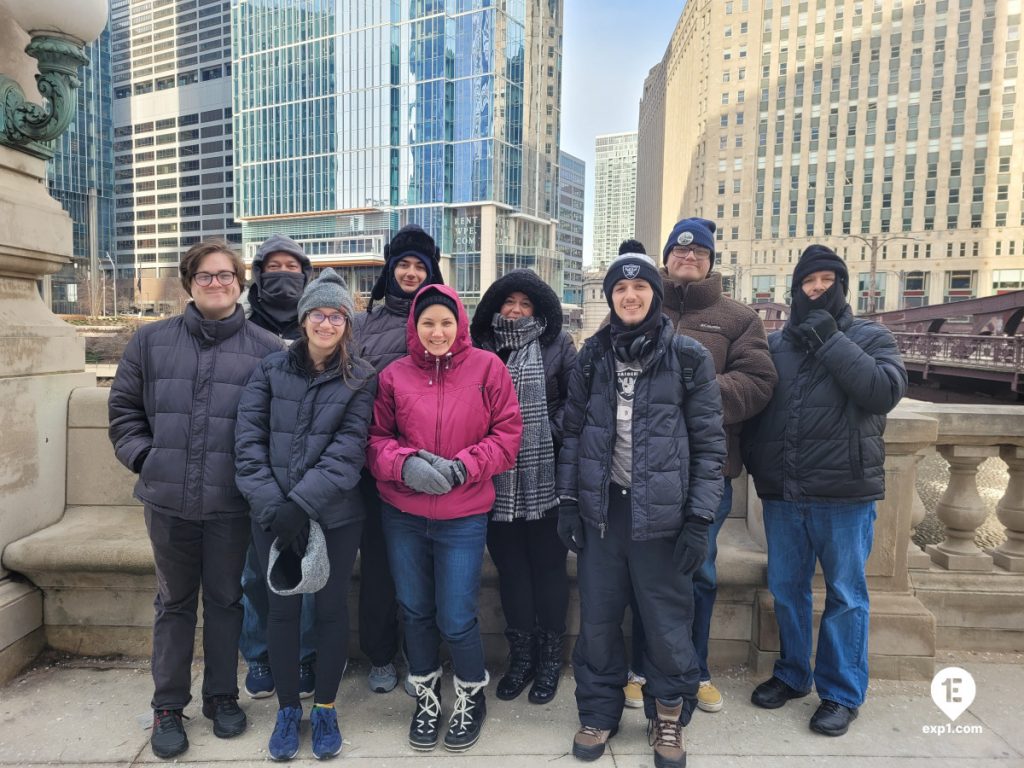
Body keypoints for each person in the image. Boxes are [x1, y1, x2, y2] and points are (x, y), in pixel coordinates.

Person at [108, 239, 282, 760]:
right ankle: (167, 705)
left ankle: (222, 695)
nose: (216, 283)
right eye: (205, 275)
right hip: (167, 500)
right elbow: (123, 411)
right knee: (174, 603)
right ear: (189, 283)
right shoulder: (150, 341)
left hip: (232, 503)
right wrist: (147, 458)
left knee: (227, 601)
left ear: (240, 283)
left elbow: (279, 425)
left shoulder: (267, 349)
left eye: (226, 275)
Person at [557, 250, 726, 768]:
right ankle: (598, 712)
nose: (629, 297)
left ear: (655, 294)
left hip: (664, 516)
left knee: (667, 622)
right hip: (605, 511)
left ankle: (668, 714)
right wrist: (569, 502)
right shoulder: (592, 356)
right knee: (599, 620)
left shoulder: (689, 357)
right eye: (620, 289)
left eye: (640, 288)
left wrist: (699, 518)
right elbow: (573, 434)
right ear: (611, 297)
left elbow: (709, 446)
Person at [743, 245, 907, 737]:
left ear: (842, 286)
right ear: (796, 289)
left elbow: (883, 392)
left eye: (826, 281)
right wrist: (759, 464)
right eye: (808, 282)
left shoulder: (871, 337)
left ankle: (841, 692)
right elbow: (757, 407)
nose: (816, 289)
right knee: (787, 590)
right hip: (784, 493)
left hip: (845, 493)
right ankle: (793, 673)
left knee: (846, 595)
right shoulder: (777, 345)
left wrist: (830, 339)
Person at [625, 220, 777, 713]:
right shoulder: (641, 303)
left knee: (699, 574)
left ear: (711, 261)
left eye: (699, 253)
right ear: (667, 256)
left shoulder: (739, 318)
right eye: (679, 250)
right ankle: (640, 668)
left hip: (707, 473)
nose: (688, 258)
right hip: (643, 473)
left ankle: (696, 669)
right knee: (644, 575)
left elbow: (758, 382)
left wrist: (692, 390)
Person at [367, 284, 522, 753]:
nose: (437, 332)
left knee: (456, 616)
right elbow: (375, 439)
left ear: (460, 325)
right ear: (414, 327)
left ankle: (471, 695)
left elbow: (508, 435)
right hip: (403, 514)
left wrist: (463, 467)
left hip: (463, 515)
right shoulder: (393, 376)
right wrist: (405, 465)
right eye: (428, 323)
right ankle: (427, 695)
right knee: (415, 610)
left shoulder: (488, 369)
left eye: (446, 323)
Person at [235, 268, 377, 760]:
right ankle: (287, 709)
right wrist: (275, 506)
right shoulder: (269, 370)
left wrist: (301, 504)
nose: (327, 323)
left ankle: (326, 708)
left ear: (347, 323)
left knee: (331, 609)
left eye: (337, 315)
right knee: (282, 612)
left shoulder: (361, 377)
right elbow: (248, 442)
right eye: (318, 313)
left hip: (335, 516)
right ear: (303, 318)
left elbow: (348, 450)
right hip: (271, 513)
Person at [469, 269, 577, 705]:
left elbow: (577, 401)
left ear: (538, 310)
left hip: (546, 477)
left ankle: (550, 660)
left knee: (549, 570)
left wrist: (545, 433)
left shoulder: (558, 345)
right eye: (509, 302)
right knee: (511, 571)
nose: (515, 310)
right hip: (495, 478)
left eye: (525, 303)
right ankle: (522, 658)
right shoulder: (479, 347)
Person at [352, 224, 445, 694]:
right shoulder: (363, 326)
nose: (410, 273)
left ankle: (421, 656)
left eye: (419, 267)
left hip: (431, 465)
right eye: (403, 265)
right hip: (375, 465)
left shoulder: (444, 322)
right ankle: (381, 655)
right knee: (379, 567)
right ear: (390, 270)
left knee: (424, 568)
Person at [238, 233, 318, 701]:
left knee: (306, 571)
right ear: (259, 275)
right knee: (254, 574)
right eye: (274, 267)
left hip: (308, 479)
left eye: (292, 267)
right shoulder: (245, 331)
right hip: (255, 477)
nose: (284, 275)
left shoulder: (321, 329)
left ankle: (304, 656)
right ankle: (259, 654)